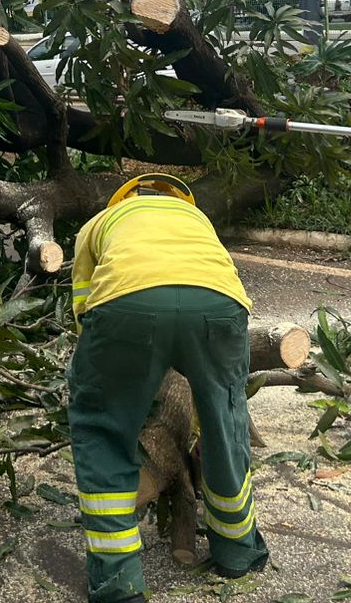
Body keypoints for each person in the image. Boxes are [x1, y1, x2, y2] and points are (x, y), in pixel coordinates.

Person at [68, 174, 268, 603]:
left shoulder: (99, 225)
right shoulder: (197, 220)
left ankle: (117, 581)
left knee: (102, 424)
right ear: (179, 199)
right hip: (220, 306)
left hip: (126, 303)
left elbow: (85, 310)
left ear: (119, 201)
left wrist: (118, 376)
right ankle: (238, 551)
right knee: (224, 420)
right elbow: (209, 279)